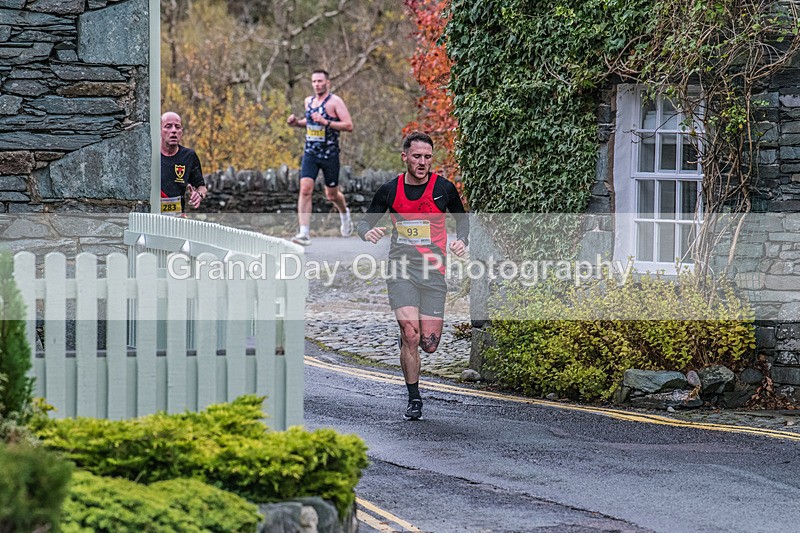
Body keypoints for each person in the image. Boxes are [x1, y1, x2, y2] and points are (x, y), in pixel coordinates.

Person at [357, 131, 469, 420]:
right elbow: (364, 222)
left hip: (433, 273)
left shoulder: (444, 188)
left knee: (429, 344)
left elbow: (462, 219)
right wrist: (368, 232)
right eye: (417, 156)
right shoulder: (389, 191)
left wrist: (462, 240)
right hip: (401, 270)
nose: (422, 162)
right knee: (411, 335)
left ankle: (411, 341)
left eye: (427, 157)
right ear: (404, 157)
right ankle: (414, 398)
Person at [287, 69, 354, 245]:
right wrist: (296, 123)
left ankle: (344, 214)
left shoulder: (335, 102)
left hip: (330, 154)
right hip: (310, 153)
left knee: (331, 195)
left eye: (320, 81)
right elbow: (309, 123)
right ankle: (304, 233)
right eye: (314, 81)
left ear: (327, 83)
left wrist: (327, 122)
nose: (317, 84)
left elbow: (349, 125)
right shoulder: (308, 101)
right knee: (305, 189)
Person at [160, 111, 207, 215]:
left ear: (182, 131)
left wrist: (198, 195)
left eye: (177, 127)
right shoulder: (150, 154)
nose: (173, 131)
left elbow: (201, 187)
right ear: (159, 130)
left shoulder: (189, 156)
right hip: (151, 218)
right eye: (168, 126)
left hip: (176, 218)